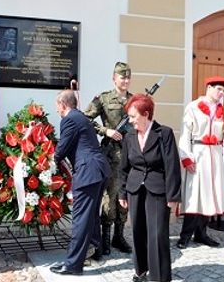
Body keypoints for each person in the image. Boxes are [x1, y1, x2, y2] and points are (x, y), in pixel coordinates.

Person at [118, 94, 181, 282]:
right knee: (137, 231)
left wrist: (173, 196)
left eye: (133, 116)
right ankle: (141, 271)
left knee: (157, 233)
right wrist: (122, 192)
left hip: (158, 189)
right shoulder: (129, 136)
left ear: (146, 114)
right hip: (135, 189)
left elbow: (172, 166)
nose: (130, 121)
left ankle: (159, 276)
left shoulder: (164, 133)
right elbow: (123, 168)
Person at [176, 76, 224, 249]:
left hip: (215, 155)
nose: (221, 93)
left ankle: (201, 233)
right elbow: (185, 134)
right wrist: (186, 157)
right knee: (194, 196)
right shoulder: (193, 107)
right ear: (209, 87)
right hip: (198, 153)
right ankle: (185, 236)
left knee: (209, 196)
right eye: (219, 89)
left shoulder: (223, 110)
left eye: (223, 90)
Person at [50, 90, 111, 275]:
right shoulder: (81, 117)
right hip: (98, 171)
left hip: (88, 172)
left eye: (57, 106)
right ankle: (94, 250)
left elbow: (62, 149)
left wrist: (49, 160)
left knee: (80, 219)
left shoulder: (69, 119)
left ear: (62, 104)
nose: (57, 110)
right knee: (91, 216)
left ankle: (73, 265)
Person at [83, 61, 133, 255]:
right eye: (123, 77)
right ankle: (105, 237)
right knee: (110, 196)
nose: (126, 80)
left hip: (130, 154)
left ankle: (119, 237)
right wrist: (106, 131)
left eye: (128, 77)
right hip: (111, 155)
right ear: (114, 78)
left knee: (125, 195)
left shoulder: (135, 99)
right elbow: (86, 118)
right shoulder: (103, 98)